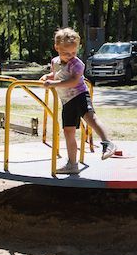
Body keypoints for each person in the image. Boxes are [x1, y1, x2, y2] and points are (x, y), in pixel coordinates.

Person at [40, 27, 117, 174]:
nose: (70, 56)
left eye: (73, 53)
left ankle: (107, 143)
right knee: (68, 131)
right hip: (67, 101)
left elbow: (74, 81)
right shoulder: (55, 61)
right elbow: (57, 74)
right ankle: (72, 163)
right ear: (57, 47)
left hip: (80, 95)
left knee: (91, 118)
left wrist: (53, 84)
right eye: (66, 53)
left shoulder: (77, 64)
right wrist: (48, 77)